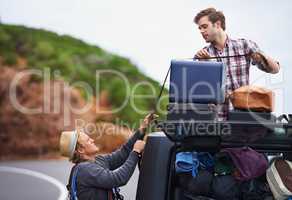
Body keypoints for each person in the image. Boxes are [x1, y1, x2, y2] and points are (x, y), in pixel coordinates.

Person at [193, 8, 280, 120]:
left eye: (204, 26)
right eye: (199, 28)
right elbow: (200, 92)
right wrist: (206, 65)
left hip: (242, 120)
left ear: (218, 24)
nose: (201, 31)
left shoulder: (244, 45)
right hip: (214, 122)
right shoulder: (202, 56)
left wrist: (261, 58)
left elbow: (275, 69)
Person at [59, 113, 157, 200]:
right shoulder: (85, 170)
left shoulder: (96, 161)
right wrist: (136, 151)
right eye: (88, 140)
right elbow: (118, 178)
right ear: (80, 150)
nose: (92, 140)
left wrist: (142, 129)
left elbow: (123, 153)